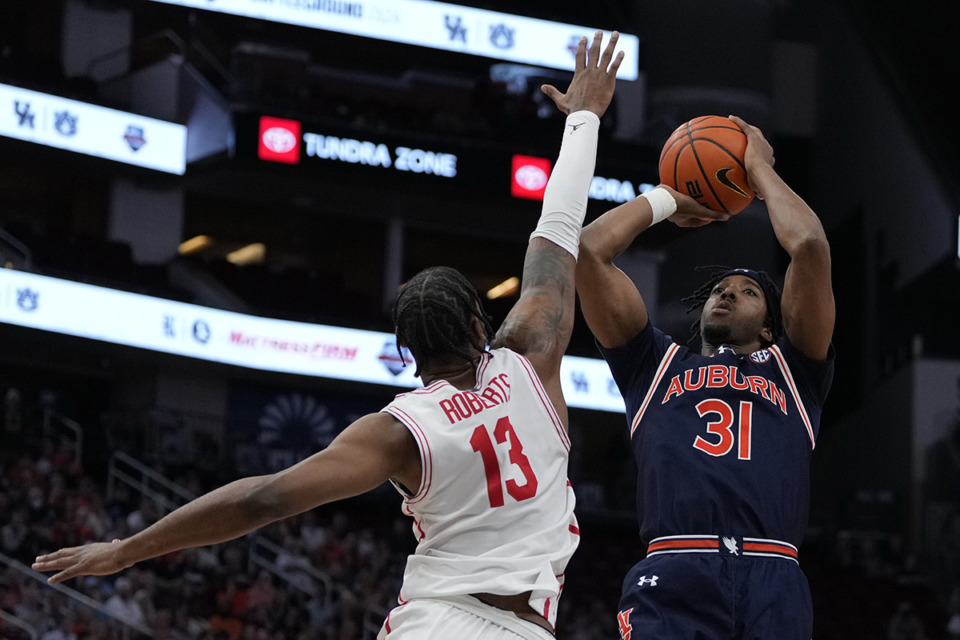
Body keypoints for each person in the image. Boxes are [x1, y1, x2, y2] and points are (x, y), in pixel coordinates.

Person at [32, 30, 625, 640]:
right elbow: (558, 226)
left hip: (437, 622)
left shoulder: (400, 431)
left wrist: (126, 549)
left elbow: (260, 500)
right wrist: (583, 117)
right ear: (481, 324)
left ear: (406, 355)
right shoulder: (532, 351)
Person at [575, 116, 835, 639]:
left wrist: (757, 168)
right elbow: (587, 250)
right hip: (675, 567)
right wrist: (667, 199)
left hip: (773, 573)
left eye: (747, 291)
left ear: (768, 328)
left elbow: (807, 244)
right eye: (720, 288)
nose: (727, 293)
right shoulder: (653, 365)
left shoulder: (795, 369)